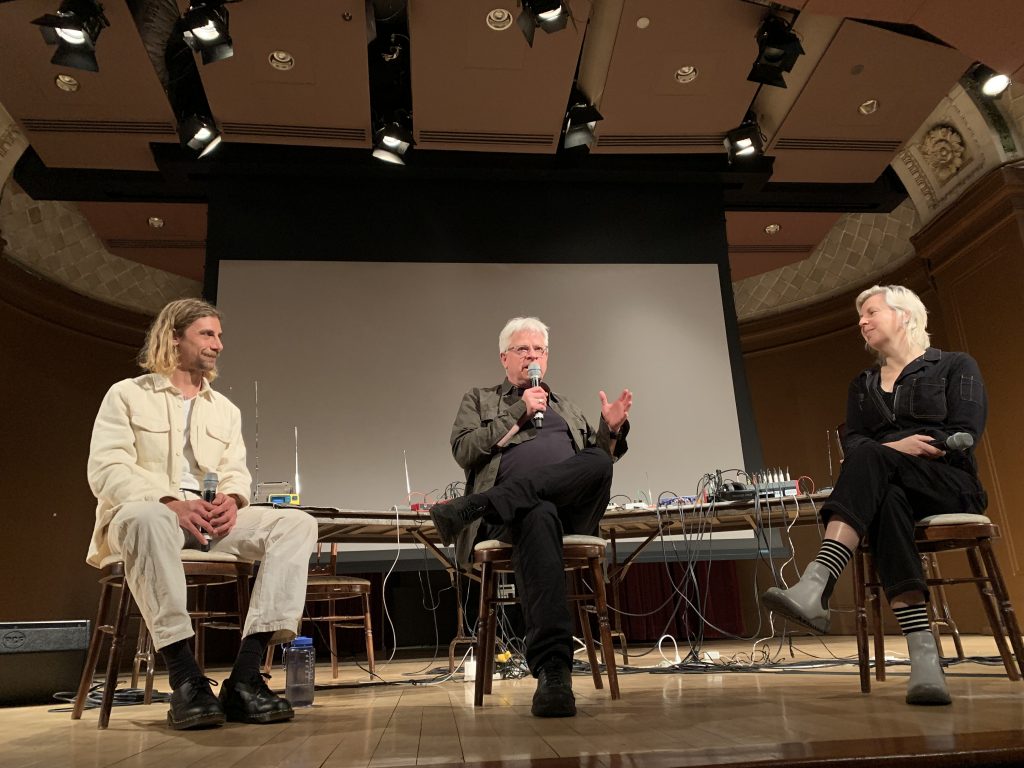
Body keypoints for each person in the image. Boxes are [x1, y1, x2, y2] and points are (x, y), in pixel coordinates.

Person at [87, 298, 318, 729]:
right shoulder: (127, 395)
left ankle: (247, 677)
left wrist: (233, 499)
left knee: (297, 523)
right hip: (151, 517)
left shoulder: (224, 410)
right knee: (147, 519)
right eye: (207, 334)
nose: (218, 345)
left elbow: (234, 470)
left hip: (211, 522)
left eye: (219, 335)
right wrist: (171, 503)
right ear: (174, 336)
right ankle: (186, 679)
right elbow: (108, 468)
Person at [762, 284, 988, 705]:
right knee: (886, 501)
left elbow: (965, 432)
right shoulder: (862, 384)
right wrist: (889, 453)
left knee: (870, 460)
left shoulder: (955, 365)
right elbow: (855, 442)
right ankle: (924, 661)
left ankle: (818, 582)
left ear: (903, 315)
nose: (861, 322)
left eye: (870, 312)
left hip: (947, 482)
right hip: (889, 488)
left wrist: (892, 449)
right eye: (859, 316)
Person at [430, 317, 632, 717]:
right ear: (504, 357)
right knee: (537, 513)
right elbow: (465, 451)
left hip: (574, 513)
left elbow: (594, 466)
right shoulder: (481, 399)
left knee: (598, 461)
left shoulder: (566, 407)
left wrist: (610, 431)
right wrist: (519, 412)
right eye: (523, 350)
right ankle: (553, 672)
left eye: (538, 350)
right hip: (517, 521)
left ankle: (480, 503)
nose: (532, 357)